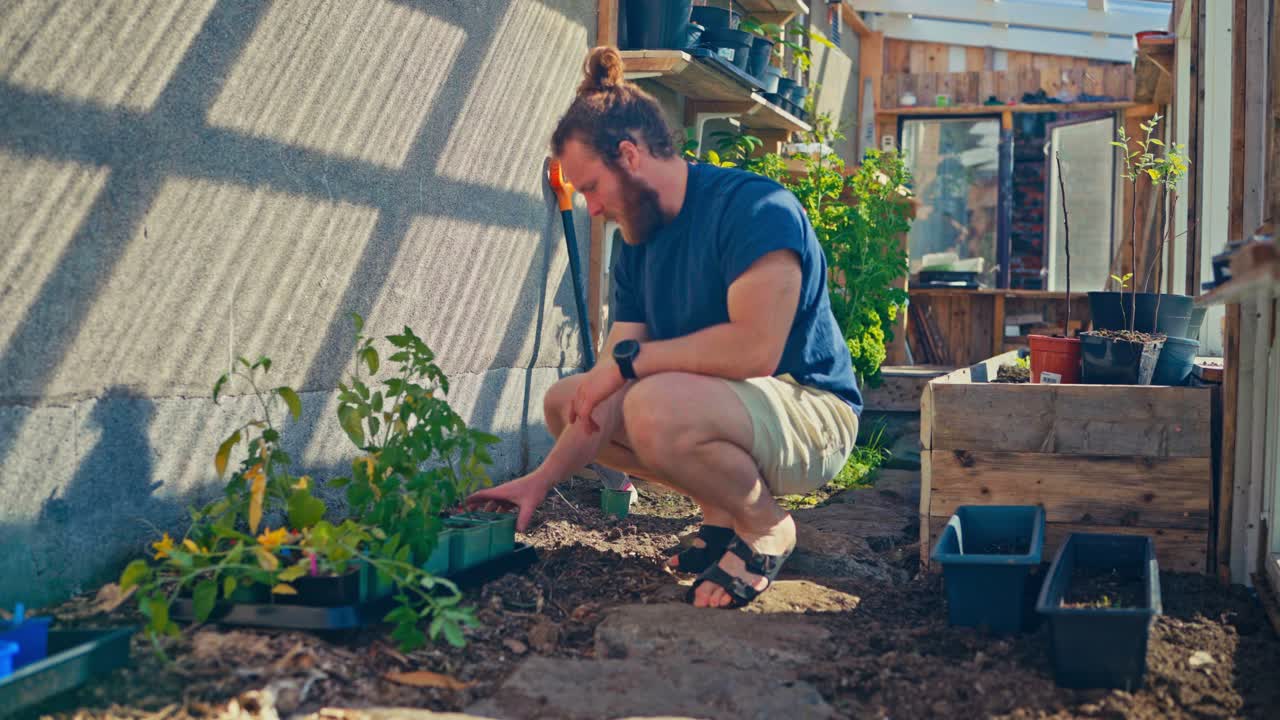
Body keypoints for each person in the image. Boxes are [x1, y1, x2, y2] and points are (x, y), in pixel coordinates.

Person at [465, 47, 861, 609]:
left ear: (629, 156)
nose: (592, 209)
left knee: (653, 403)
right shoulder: (637, 241)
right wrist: (541, 480)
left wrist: (631, 365)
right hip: (733, 413)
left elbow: (755, 350)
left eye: (592, 188)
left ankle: (765, 525)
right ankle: (722, 515)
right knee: (568, 402)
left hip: (812, 411)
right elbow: (611, 372)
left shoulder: (755, 209)